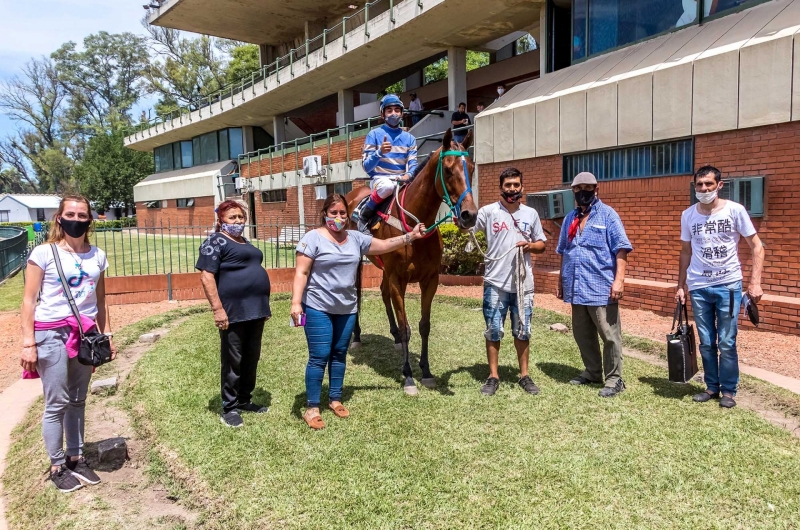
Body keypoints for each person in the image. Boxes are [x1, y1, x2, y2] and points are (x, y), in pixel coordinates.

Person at [291, 194, 426, 429]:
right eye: (334, 213)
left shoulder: (355, 238)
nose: (339, 217)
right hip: (317, 307)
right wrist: (296, 303)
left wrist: (410, 236)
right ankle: (312, 407)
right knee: (319, 355)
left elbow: (383, 245)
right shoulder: (312, 238)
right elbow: (301, 273)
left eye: (343, 213)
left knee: (339, 354)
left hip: (347, 308)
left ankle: (335, 399)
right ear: (325, 214)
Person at [20, 194, 113, 493]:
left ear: (89, 220)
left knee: (78, 399)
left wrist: (106, 335)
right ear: (59, 218)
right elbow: (28, 300)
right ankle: (57, 465)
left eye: (82, 215)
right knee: (56, 402)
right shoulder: (44, 253)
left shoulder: (97, 256)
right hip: (52, 333)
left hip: (86, 335)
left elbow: (100, 299)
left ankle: (76, 456)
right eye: (70, 214)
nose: (76, 220)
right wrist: (28, 343)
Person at [676, 166, 764, 409]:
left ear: (719, 185)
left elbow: (757, 247)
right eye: (699, 185)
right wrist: (681, 285)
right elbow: (685, 251)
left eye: (709, 184)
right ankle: (711, 387)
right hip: (698, 286)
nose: (704, 189)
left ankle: (728, 390)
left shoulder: (735, 211)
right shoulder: (688, 215)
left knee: (726, 341)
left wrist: (755, 282)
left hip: (729, 285)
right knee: (706, 341)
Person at [556, 172, 633, 398]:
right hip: (576, 287)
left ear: (596, 189)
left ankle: (614, 379)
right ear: (573, 191)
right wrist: (561, 280)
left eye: (588, 188)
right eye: (578, 188)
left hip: (601, 287)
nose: (583, 192)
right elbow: (564, 251)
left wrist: (619, 280)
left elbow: (621, 249)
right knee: (583, 335)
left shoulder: (608, 215)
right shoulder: (570, 218)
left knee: (609, 335)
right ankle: (592, 372)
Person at [196, 200, 272, 427]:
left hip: (255, 310)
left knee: (251, 357)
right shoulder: (215, 241)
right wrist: (217, 309)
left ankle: (244, 400)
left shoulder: (244, 241)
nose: (238, 221)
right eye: (232, 217)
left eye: (241, 217)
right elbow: (207, 276)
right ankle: (229, 408)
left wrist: (262, 305)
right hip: (233, 312)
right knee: (233, 360)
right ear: (221, 220)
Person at [474, 168, 547, 396]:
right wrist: (460, 217)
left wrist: (529, 246)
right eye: (508, 185)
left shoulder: (531, 214)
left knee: (523, 331)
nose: (512, 189)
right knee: (493, 330)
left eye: (516, 185)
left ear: (522, 187)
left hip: (523, 285)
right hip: (495, 282)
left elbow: (542, 244)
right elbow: (466, 227)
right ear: (501, 187)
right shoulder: (488, 212)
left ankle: (524, 375)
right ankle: (493, 376)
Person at [359, 94, 419, 226]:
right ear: (382, 114)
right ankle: (364, 216)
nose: (393, 114)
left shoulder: (410, 139)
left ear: (402, 114)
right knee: (387, 187)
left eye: (397, 110)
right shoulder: (373, 135)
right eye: (389, 110)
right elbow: (366, 167)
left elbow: (413, 164)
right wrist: (379, 152)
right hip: (380, 181)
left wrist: (407, 176)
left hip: (402, 181)